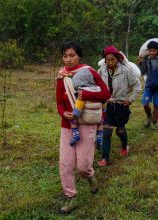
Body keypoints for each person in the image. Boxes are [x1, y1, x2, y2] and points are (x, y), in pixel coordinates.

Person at [56, 41, 111, 214]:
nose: (68, 59)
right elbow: (59, 102)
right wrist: (63, 113)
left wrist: (85, 94)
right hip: (67, 126)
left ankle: (90, 176)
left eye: (72, 55)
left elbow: (105, 94)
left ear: (79, 56)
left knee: (83, 166)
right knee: (65, 165)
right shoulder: (61, 76)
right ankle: (71, 197)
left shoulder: (89, 72)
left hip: (86, 123)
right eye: (65, 56)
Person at [97, 45, 141, 166]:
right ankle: (105, 158)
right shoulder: (102, 71)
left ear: (118, 59)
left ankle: (124, 146)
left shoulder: (126, 71)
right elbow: (96, 83)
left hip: (122, 106)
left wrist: (130, 99)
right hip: (110, 105)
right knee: (106, 132)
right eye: (108, 60)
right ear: (105, 60)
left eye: (113, 59)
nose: (110, 62)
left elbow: (137, 86)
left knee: (120, 131)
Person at [69, 69, 103, 147]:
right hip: (97, 117)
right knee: (101, 123)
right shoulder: (99, 90)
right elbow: (104, 104)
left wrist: (75, 114)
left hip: (86, 118)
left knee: (72, 119)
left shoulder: (82, 92)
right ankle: (99, 137)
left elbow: (79, 106)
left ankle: (75, 134)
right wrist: (103, 110)